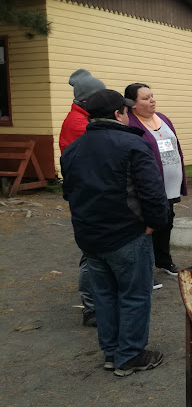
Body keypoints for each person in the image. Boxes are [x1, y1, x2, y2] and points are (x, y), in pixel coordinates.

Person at [60, 89, 169, 377]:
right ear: (118, 114)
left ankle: (111, 352)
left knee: (105, 295)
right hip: (127, 235)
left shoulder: (73, 149)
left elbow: (69, 194)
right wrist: (155, 223)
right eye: (125, 110)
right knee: (134, 295)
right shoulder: (132, 144)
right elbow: (152, 191)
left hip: (91, 238)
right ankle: (130, 355)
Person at [124, 83, 187, 278]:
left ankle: (164, 260)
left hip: (170, 186)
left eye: (152, 96)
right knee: (148, 225)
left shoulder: (163, 118)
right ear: (133, 104)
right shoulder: (131, 124)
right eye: (145, 98)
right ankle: (144, 269)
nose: (152, 100)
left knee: (166, 222)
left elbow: (175, 146)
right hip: (150, 187)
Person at [59, 69, 106, 327]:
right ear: (87, 99)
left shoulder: (84, 117)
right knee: (91, 254)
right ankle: (90, 308)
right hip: (87, 197)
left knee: (95, 251)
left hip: (90, 194)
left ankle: (96, 302)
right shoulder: (80, 124)